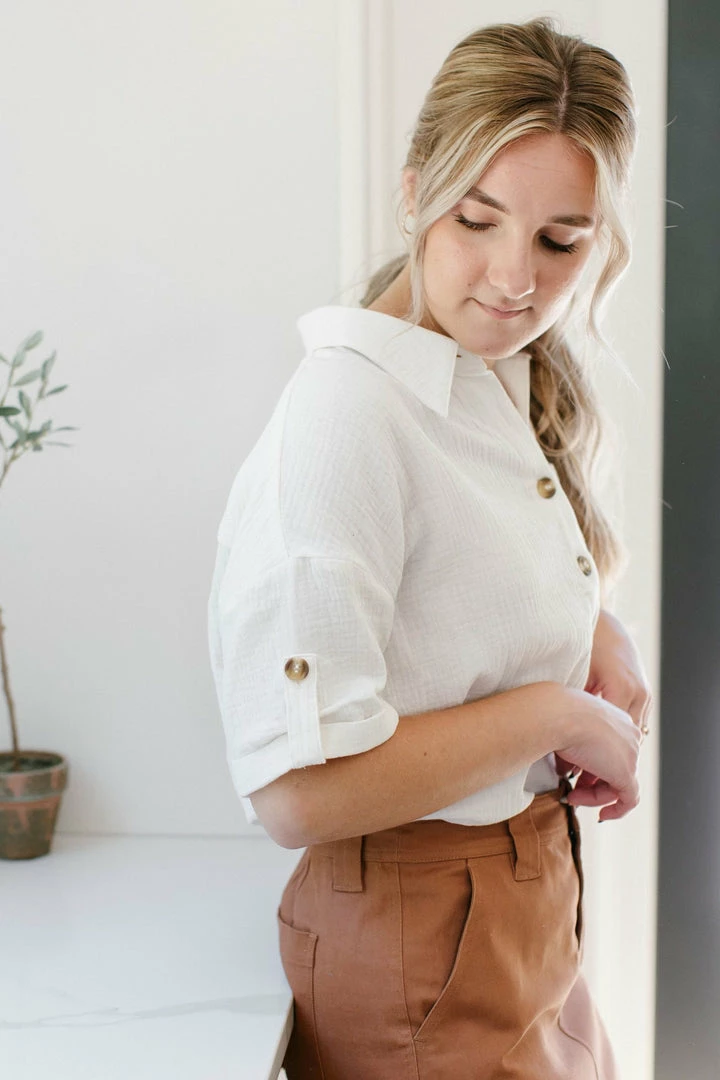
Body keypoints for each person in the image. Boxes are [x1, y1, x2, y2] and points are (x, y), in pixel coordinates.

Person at [207, 16, 653, 1080]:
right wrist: (554, 712)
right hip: (427, 927)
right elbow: (296, 793)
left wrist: (596, 630)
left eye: (560, 240)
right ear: (414, 194)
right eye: (477, 219)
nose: (514, 280)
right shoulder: (347, 417)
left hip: (515, 905)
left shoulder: (478, 373)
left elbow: (461, 569)